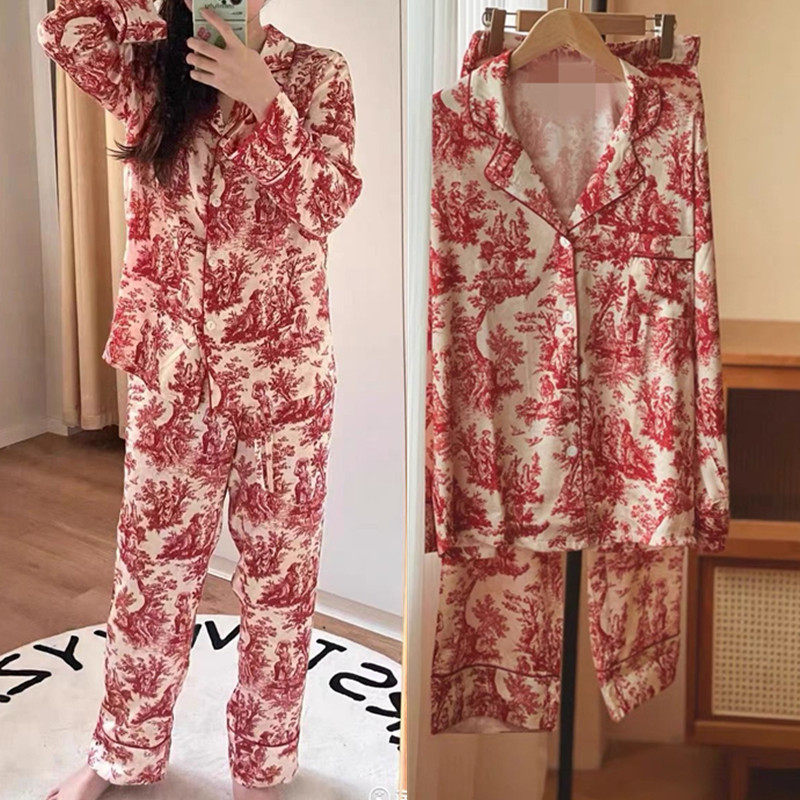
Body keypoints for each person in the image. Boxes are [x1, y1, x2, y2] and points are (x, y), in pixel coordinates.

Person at [36, 0, 362, 797]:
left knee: (279, 583)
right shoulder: (148, 68)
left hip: (282, 381)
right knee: (151, 575)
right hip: (173, 375)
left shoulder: (316, 74)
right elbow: (63, 26)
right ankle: (124, 755)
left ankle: (263, 768)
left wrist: (265, 99)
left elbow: (327, 204)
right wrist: (156, 9)